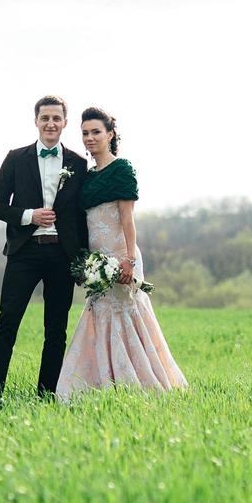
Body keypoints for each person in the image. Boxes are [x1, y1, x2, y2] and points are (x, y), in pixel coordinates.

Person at [56, 107, 187, 401]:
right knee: (99, 315)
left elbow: (127, 219)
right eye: (85, 133)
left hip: (121, 254)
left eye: (96, 132)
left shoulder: (122, 169)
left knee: (126, 314)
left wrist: (128, 259)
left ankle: (138, 381)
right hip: (96, 261)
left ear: (110, 134)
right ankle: (100, 383)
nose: (90, 138)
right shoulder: (86, 177)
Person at [0, 94, 89, 401]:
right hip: (24, 253)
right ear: (36, 122)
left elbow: (83, 216)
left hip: (61, 255)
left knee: (56, 331)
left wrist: (83, 258)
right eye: (45, 118)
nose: (51, 123)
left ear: (65, 123)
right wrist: (29, 216)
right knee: (7, 322)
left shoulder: (78, 165)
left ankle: (46, 395)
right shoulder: (16, 158)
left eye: (56, 118)